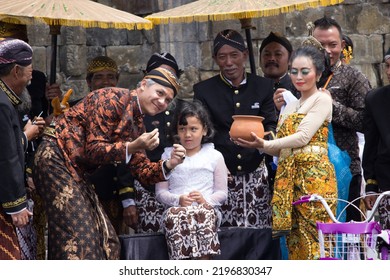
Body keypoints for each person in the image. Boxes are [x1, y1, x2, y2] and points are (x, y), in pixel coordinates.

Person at [32, 67, 185, 260]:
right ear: (144, 85)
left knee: (108, 241)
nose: (162, 102)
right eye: (160, 93)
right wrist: (131, 146)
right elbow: (94, 150)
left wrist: (169, 164)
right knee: (80, 239)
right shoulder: (110, 97)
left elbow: (142, 170)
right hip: (54, 157)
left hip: (75, 169)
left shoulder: (137, 123)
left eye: (168, 100)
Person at [236, 45, 338, 260]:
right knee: (295, 243)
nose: (298, 77)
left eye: (305, 71)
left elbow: (302, 137)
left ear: (318, 74)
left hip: (314, 176)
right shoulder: (290, 105)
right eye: (293, 71)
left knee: (315, 241)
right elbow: (280, 143)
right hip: (289, 177)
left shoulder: (322, 99)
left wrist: (263, 144)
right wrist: (256, 142)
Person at [193, 29, 278, 259]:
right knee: (225, 236)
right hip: (221, 174)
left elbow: (271, 124)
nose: (228, 62)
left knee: (259, 235)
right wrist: (218, 163)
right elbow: (204, 133)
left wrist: (262, 142)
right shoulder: (203, 90)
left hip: (255, 173)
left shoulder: (262, 86)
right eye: (222, 56)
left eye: (234, 55)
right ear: (215, 59)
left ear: (245, 54)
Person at [156, 100, 228, 260]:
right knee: (176, 215)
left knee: (203, 214)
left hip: (206, 208)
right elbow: (160, 192)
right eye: (182, 129)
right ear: (176, 131)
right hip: (177, 209)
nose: (187, 135)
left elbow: (222, 192)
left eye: (193, 129)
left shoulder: (214, 156)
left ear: (205, 130)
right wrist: (178, 200)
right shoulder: (168, 155)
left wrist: (204, 200)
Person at [134, 52, 183, 233]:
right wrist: (127, 198)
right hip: (147, 187)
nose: (166, 79)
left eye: (171, 75)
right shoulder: (138, 111)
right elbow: (126, 154)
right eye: (159, 74)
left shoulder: (185, 109)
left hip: (179, 187)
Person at [0, 38, 34, 259]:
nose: (31, 76)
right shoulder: (2, 104)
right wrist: (16, 205)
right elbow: (6, 156)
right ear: (16, 71)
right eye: (30, 70)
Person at [362, 48, 390, 230]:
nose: (389, 72)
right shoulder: (375, 100)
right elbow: (370, 146)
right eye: (387, 66)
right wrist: (370, 186)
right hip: (388, 184)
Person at [259, 32, 300, 109]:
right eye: (267, 55)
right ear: (259, 60)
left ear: (290, 59)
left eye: (278, 54)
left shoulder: (298, 87)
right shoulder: (254, 88)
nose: (271, 59)